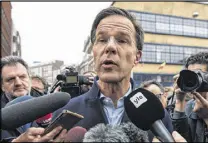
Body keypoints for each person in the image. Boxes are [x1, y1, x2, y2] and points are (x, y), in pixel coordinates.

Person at [53, 6, 173, 141]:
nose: (110, 47)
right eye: (102, 40)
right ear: (94, 52)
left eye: (122, 40)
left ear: (137, 57)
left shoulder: (157, 117)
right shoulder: (66, 113)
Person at [1, 56, 66, 142]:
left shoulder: (51, 104)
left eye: (22, 77)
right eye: (10, 79)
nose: (18, 83)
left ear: (29, 79)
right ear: (2, 86)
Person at [171, 52, 208, 142]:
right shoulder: (190, 106)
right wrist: (180, 102)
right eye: (190, 76)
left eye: (198, 75)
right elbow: (183, 138)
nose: (193, 82)